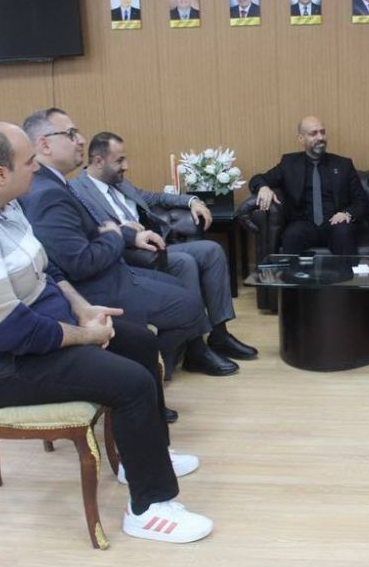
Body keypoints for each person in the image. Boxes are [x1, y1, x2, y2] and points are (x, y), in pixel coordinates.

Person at [0, 121, 211, 543]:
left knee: (140, 342)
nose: (37, 168)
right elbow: (12, 332)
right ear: (0, 173)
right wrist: (86, 336)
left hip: (32, 338)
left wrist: (83, 309)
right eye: (29, 161)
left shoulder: (0, 204)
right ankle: (148, 509)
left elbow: (45, 269)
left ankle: (142, 459)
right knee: (131, 382)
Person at [19, 108, 238, 377]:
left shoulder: (61, 184)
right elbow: (81, 259)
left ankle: (188, 350)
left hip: (118, 262)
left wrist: (189, 201)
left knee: (194, 274)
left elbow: (101, 227)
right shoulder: (51, 192)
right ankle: (149, 368)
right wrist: (116, 235)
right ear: (44, 145)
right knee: (190, 303)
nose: (81, 139)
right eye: (71, 134)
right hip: (101, 282)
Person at [71, 131, 257, 363]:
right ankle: (195, 347)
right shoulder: (78, 191)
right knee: (185, 262)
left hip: (154, 245)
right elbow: (90, 231)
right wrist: (122, 229)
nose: (126, 166)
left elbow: (154, 197)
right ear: (99, 161)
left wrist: (192, 200)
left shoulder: (119, 182)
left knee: (212, 250)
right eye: (119, 160)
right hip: (126, 254)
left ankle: (220, 333)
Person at [249, 116, 369, 256]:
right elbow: (257, 179)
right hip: (303, 223)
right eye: (313, 133)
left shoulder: (343, 165)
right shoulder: (289, 164)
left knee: (344, 232)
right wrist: (263, 187)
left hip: (335, 222)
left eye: (322, 132)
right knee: (292, 235)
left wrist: (346, 214)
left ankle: (347, 271)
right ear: (301, 139)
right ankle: (292, 271)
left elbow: (361, 201)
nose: (320, 137)